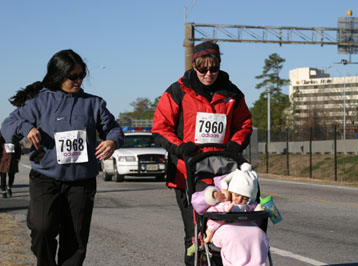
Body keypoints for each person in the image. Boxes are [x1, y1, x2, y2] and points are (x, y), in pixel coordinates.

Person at [1, 49, 124, 266]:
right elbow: (8, 125)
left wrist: (112, 141)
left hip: (81, 182)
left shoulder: (93, 103)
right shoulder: (38, 102)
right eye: (73, 76)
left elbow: (113, 128)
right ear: (59, 75)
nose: (78, 81)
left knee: (75, 239)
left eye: (82, 75)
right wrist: (27, 128)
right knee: (42, 228)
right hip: (45, 178)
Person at [152, 41, 253, 265]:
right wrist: (179, 147)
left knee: (222, 233)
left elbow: (244, 125)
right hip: (187, 173)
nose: (208, 74)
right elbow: (160, 128)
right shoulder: (177, 91)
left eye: (213, 69)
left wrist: (236, 143)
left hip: (222, 176)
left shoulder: (233, 93)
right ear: (194, 66)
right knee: (196, 234)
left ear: (219, 66)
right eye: (202, 69)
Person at [192, 163, 269, 266]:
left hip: (248, 228)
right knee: (234, 237)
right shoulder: (221, 196)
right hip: (221, 228)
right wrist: (213, 196)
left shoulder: (250, 204)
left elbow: (257, 219)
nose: (239, 200)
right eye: (237, 195)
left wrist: (260, 210)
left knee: (259, 234)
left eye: (245, 198)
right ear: (231, 191)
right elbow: (197, 202)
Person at [0, 132, 22, 198]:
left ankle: (9, 187)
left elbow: (18, 150)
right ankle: (3, 191)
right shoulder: (1, 140)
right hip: (3, 161)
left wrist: (17, 159)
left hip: (12, 161)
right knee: (3, 176)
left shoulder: (15, 140)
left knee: (11, 175)